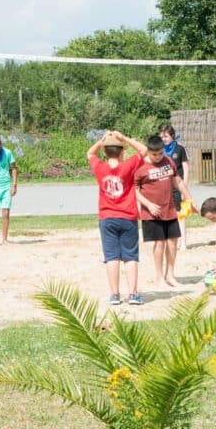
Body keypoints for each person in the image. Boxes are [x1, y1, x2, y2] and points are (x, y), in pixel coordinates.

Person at [87, 129, 148, 306]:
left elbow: (90, 153)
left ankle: (114, 294)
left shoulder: (100, 167)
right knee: (130, 257)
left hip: (107, 217)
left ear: (105, 153)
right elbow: (143, 150)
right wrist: (124, 138)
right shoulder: (127, 166)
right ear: (122, 151)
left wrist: (102, 140)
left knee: (112, 257)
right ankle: (133, 294)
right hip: (128, 216)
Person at [135, 134, 195, 289]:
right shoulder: (140, 166)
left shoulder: (168, 161)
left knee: (173, 242)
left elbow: (178, 182)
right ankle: (159, 277)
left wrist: (189, 200)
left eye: (161, 153)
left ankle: (170, 275)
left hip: (170, 209)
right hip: (152, 212)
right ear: (148, 151)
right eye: (154, 154)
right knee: (159, 244)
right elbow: (134, 191)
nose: (158, 157)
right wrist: (148, 205)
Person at [159, 124, 190, 248]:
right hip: (163, 186)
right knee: (166, 214)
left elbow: (186, 169)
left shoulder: (180, 149)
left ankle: (183, 243)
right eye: (161, 137)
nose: (164, 139)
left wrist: (184, 190)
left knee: (180, 214)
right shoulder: (159, 150)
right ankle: (171, 240)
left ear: (172, 136)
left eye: (166, 136)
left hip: (178, 186)